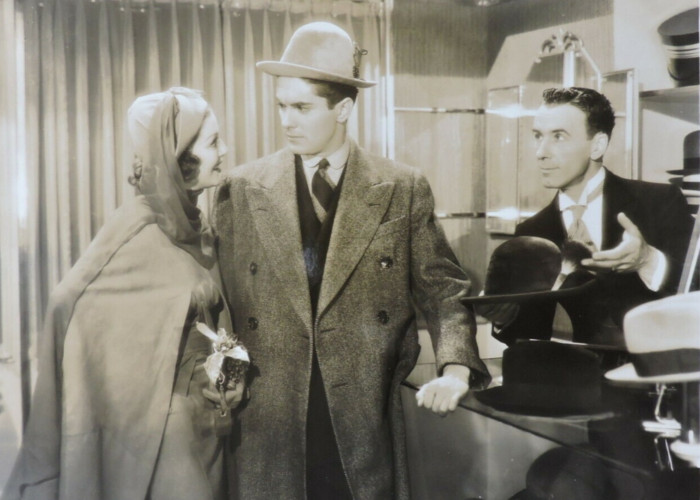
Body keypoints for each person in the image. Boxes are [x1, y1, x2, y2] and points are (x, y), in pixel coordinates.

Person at [213, 22, 490, 500]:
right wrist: (226, 378)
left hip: (362, 412)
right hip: (269, 414)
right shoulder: (240, 188)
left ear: (342, 109)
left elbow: (443, 290)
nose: (286, 121)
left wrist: (456, 369)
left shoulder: (401, 188)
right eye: (281, 106)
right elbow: (223, 306)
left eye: (301, 107)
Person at [3, 88, 244, 500]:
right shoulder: (138, 231)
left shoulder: (197, 227)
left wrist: (230, 379)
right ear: (178, 159)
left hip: (211, 427)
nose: (225, 150)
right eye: (212, 142)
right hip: (166, 436)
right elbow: (68, 302)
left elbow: (211, 320)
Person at [480, 87, 694, 347]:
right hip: (568, 383)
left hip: (648, 381)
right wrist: (503, 319)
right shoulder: (530, 232)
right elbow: (530, 335)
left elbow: (694, 294)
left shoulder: (659, 202)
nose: (541, 152)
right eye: (538, 136)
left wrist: (647, 260)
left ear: (597, 146)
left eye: (558, 136)